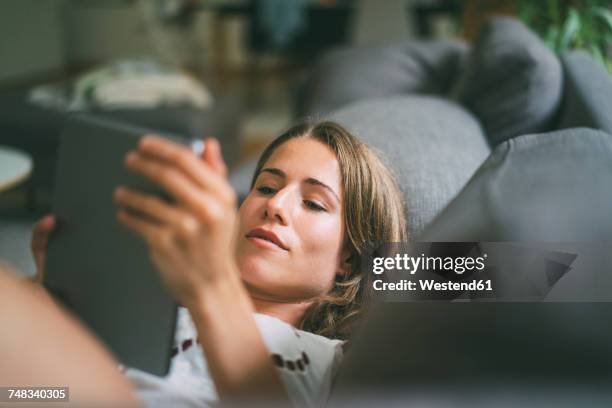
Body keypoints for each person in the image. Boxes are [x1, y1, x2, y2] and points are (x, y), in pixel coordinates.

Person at [1, 121, 407, 407]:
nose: (275, 206)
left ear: (349, 260)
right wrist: (47, 290)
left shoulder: (339, 360)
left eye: (314, 203)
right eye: (266, 187)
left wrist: (213, 288)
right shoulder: (141, 309)